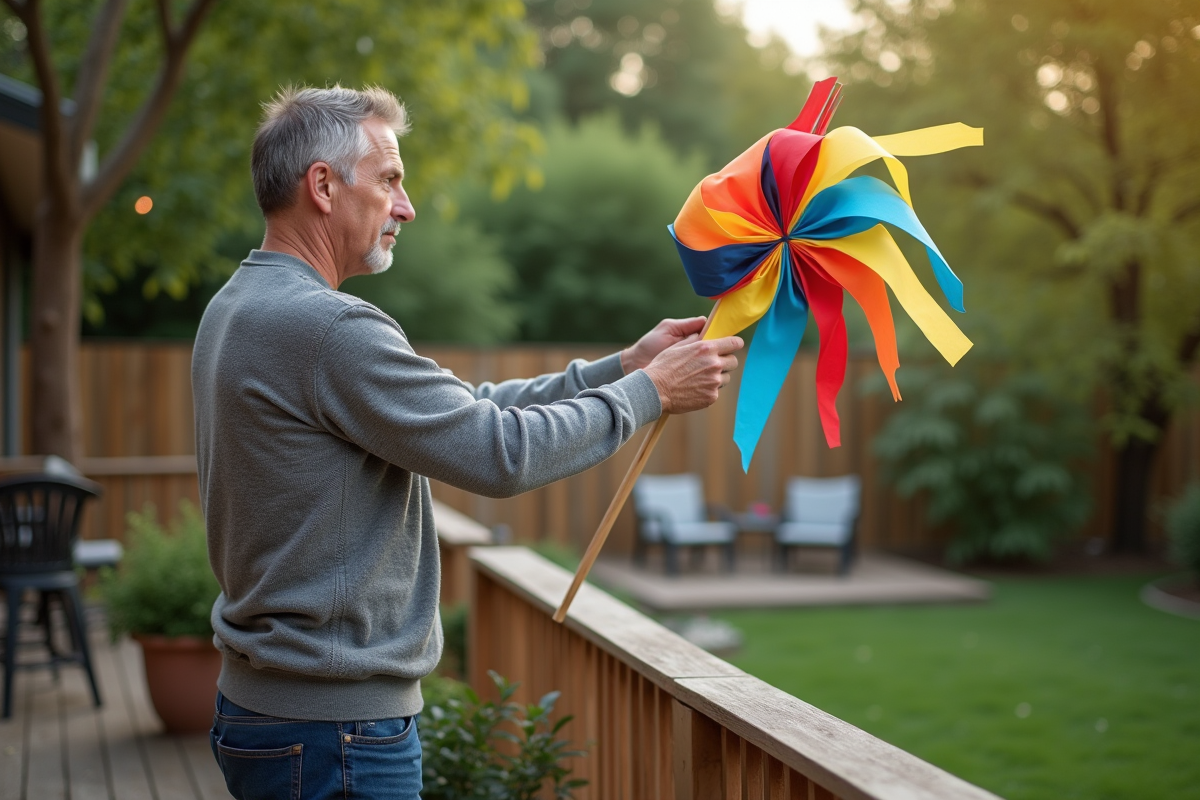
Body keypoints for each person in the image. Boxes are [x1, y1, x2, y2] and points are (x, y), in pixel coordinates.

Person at [193, 85, 742, 800]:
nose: (406, 205)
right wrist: (651, 394)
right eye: (390, 179)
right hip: (336, 733)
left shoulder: (238, 306)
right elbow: (495, 451)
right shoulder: (328, 328)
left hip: (276, 711)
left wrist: (621, 369)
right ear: (323, 186)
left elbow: (464, 413)